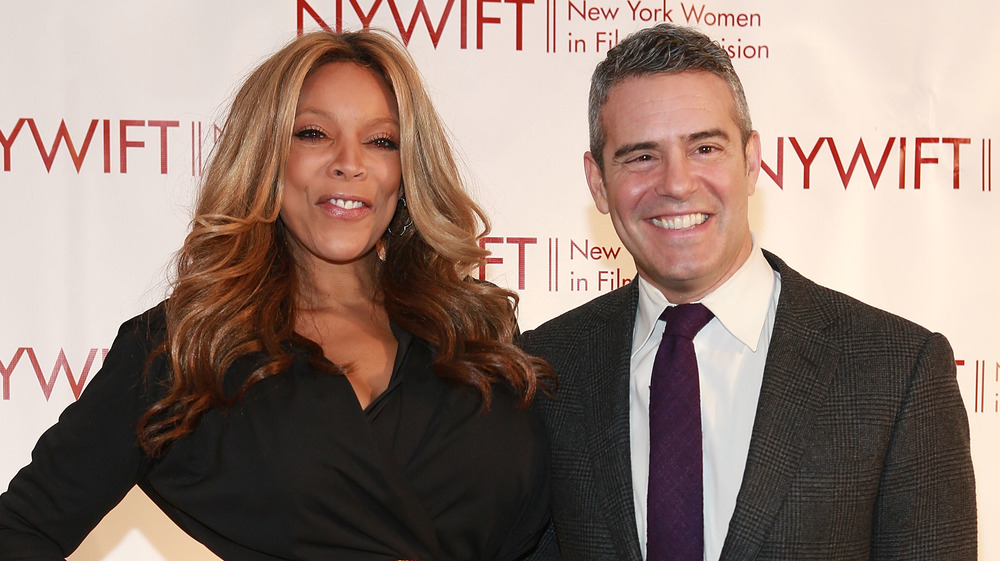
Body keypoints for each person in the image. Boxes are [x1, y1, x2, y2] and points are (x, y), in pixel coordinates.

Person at [0, 29, 551, 561]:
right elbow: (20, 530)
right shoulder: (190, 346)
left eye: (381, 141)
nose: (349, 162)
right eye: (313, 133)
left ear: (406, 171)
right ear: (266, 156)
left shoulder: (475, 337)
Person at [520, 23, 976, 561]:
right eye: (641, 156)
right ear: (597, 183)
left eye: (705, 147)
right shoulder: (545, 371)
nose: (677, 183)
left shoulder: (898, 372)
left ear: (752, 160)